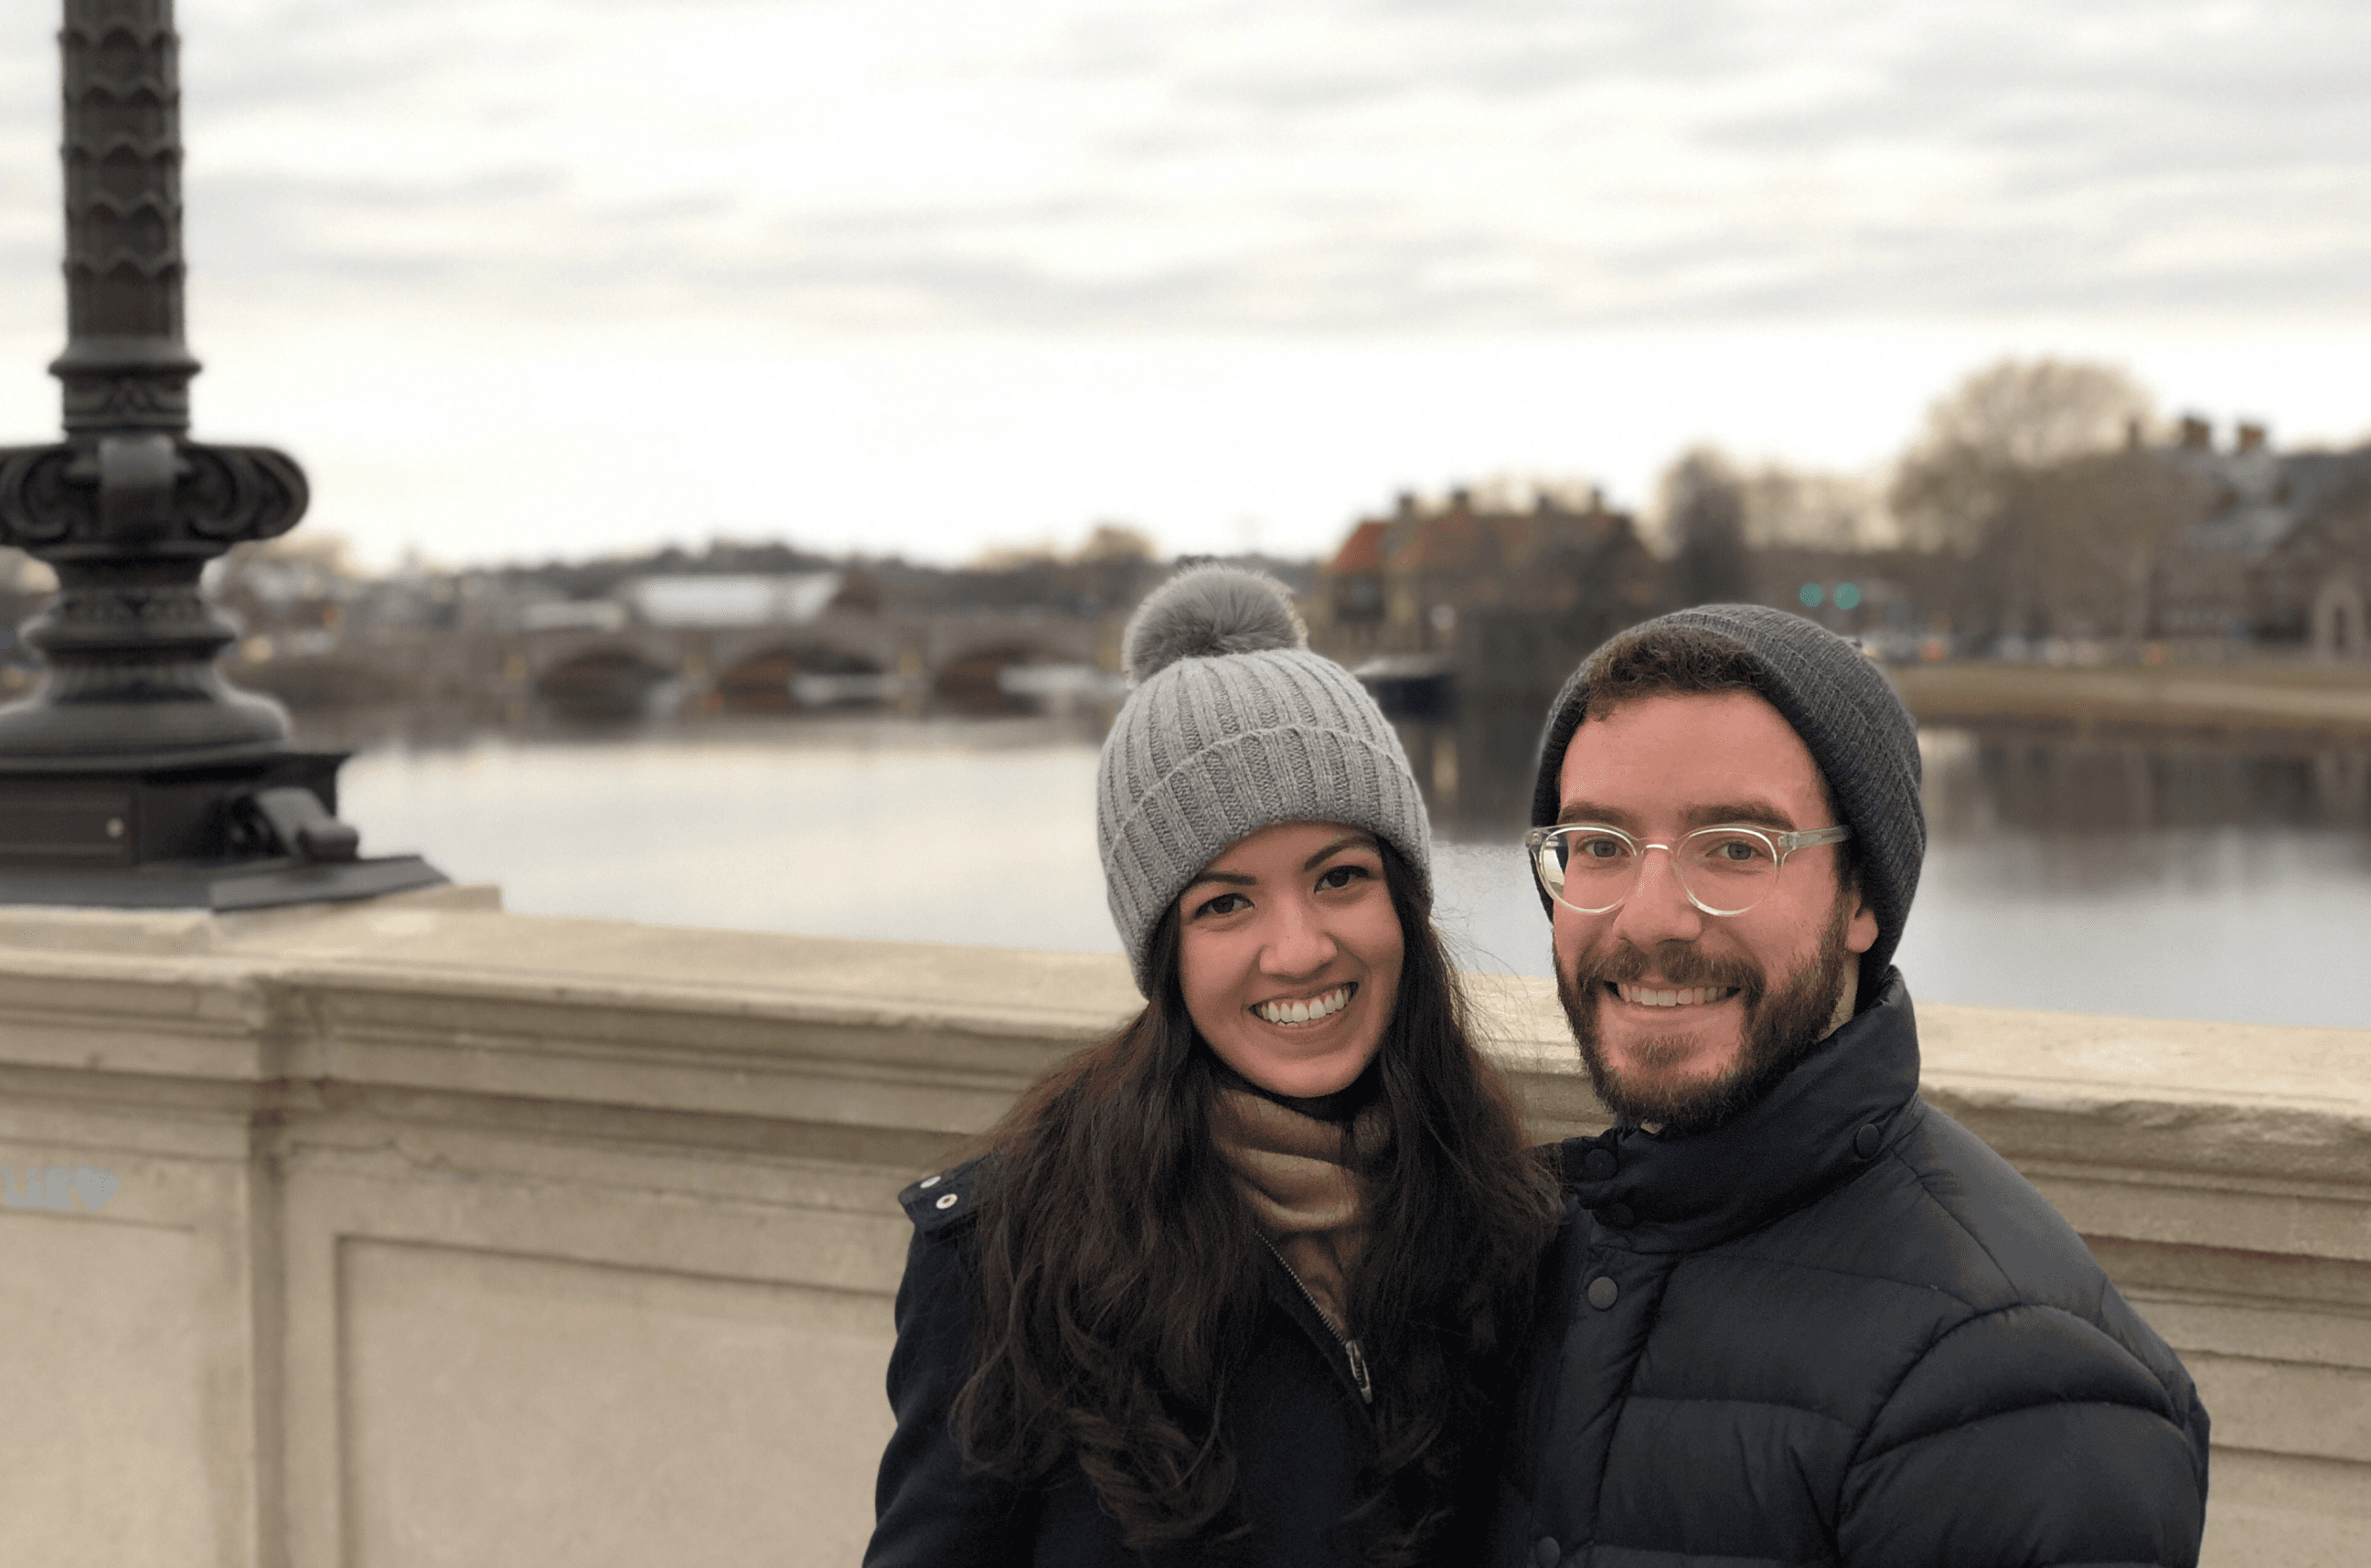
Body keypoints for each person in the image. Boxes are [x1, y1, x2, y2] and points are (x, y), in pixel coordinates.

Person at [866, 566, 1560, 1566]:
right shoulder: (1007, 1259)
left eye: (1341, 877)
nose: (1300, 950)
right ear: (1166, 958)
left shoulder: (1508, 1222)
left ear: (1403, 907)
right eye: (1225, 903)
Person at [1493, 604, 2209, 1568]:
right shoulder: (1538, 1248)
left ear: (1863, 895)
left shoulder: (2014, 1398)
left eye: (1735, 847)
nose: (1650, 918)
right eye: (1598, 845)